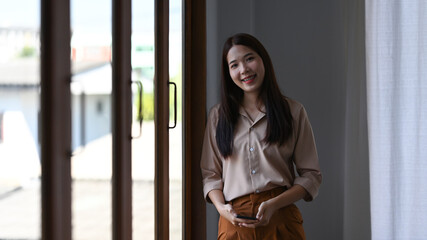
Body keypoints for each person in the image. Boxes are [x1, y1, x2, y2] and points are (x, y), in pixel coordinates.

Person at [200, 33, 322, 240]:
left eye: (249, 59)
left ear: (263, 60)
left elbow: (311, 176)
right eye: (234, 65)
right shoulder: (217, 117)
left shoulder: (293, 112)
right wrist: (222, 208)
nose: (244, 69)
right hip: (234, 224)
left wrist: (274, 204)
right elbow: (211, 175)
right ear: (228, 72)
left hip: (281, 219)